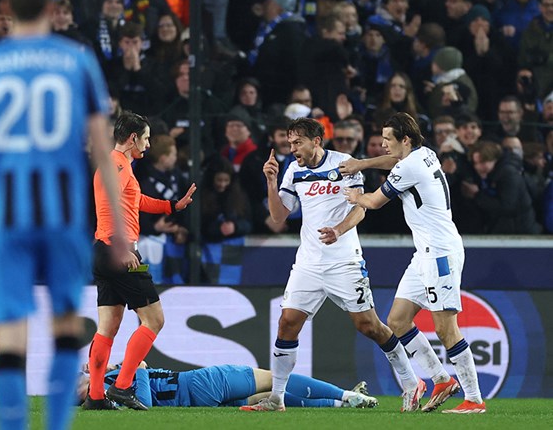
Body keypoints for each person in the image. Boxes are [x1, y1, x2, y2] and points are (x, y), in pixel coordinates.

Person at [0, 0, 127, 429]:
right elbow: (103, 150)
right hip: (63, 218)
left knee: (11, 331)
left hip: (7, 221)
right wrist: (118, 227)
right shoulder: (78, 61)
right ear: (50, 9)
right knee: (66, 327)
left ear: (7, 10)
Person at [240, 117, 424, 413]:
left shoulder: (344, 164)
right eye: (289, 143)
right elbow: (278, 217)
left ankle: (412, 383)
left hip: (344, 261)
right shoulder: (293, 171)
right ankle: (277, 397)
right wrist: (271, 182)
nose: (293, 148)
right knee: (288, 323)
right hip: (308, 263)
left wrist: (338, 229)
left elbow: (360, 209)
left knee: (369, 325)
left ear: (316, 141)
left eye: (298, 142)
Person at [341, 112, 486, 414]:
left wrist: (356, 195)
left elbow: (374, 202)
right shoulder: (424, 154)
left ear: (404, 140)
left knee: (446, 328)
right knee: (397, 320)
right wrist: (363, 164)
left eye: (387, 140)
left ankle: (474, 398)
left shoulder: (409, 166)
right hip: (425, 253)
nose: (382, 145)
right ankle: (441, 379)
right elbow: (394, 163)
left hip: (440, 253)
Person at [85, 111, 197, 411]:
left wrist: (172, 206)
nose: (148, 144)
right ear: (133, 138)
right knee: (155, 319)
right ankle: (122, 387)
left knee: (107, 326)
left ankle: (96, 396)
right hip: (119, 250)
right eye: (146, 138)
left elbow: (134, 200)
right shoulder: (117, 166)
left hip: (102, 250)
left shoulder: (117, 165)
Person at [77, 361, 378, 409]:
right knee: (277, 379)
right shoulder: (114, 382)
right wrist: (137, 367)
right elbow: (145, 401)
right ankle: (345, 394)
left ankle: (341, 403)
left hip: (196, 403)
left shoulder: (108, 397)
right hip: (203, 383)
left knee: (271, 397)